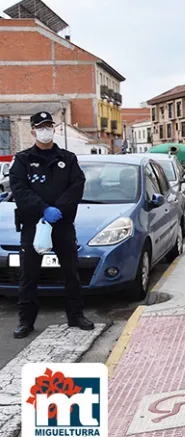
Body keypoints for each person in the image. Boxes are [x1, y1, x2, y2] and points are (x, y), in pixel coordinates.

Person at [8, 111, 93, 339]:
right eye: (41, 127)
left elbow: (77, 185)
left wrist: (59, 210)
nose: (45, 131)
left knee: (70, 272)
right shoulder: (23, 159)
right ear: (33, 130)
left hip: (62, 224)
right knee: (29, 275)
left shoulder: (68, 158)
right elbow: (19, 189)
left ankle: (76, 316)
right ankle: (26, 321)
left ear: (53, 129)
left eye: (49, 126)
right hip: (34, 226)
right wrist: (43, 208)